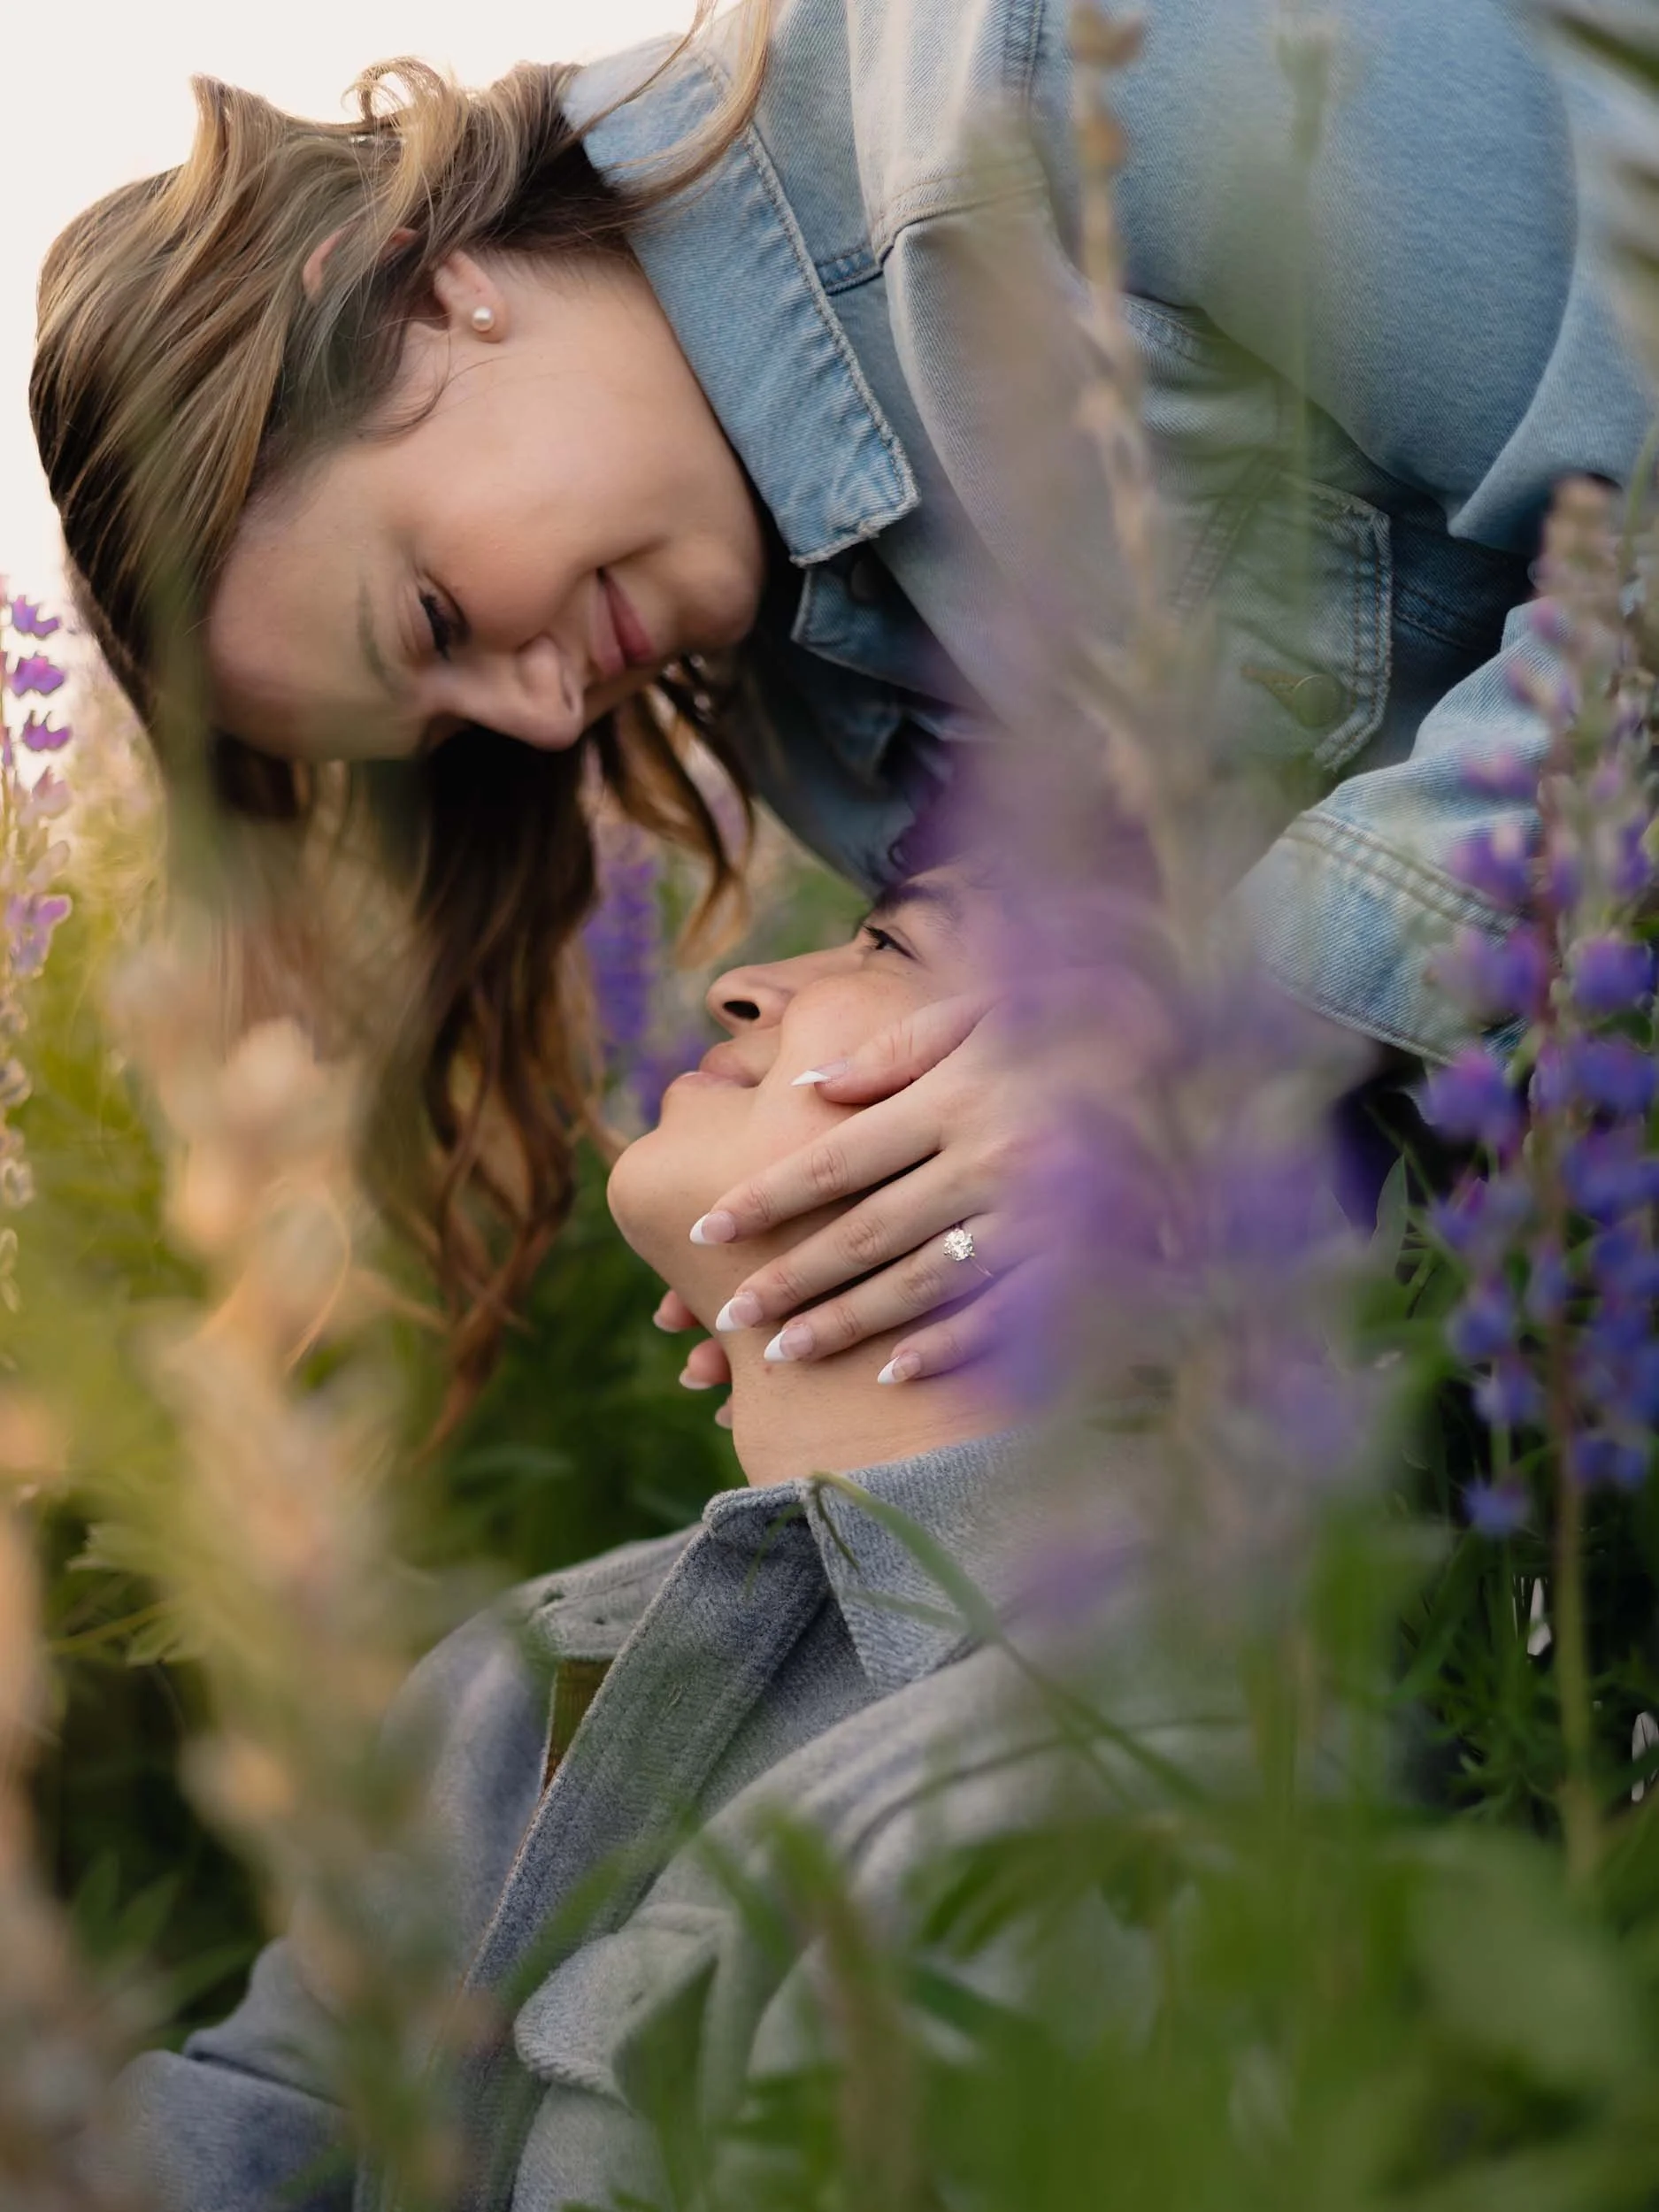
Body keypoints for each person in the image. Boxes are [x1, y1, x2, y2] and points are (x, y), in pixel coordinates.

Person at [30, 0, 1653, 1413]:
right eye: (451, 728)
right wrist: (888, 1238)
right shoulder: (784, 684)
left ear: (414, 291)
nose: (538, 724)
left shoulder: (1037, 75)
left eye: (439, 621)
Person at [110, 864, 1124, 2211]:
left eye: (889, 944)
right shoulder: (523, 1660)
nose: (739, 982)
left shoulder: (1083, 1767)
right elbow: (271, 2121)